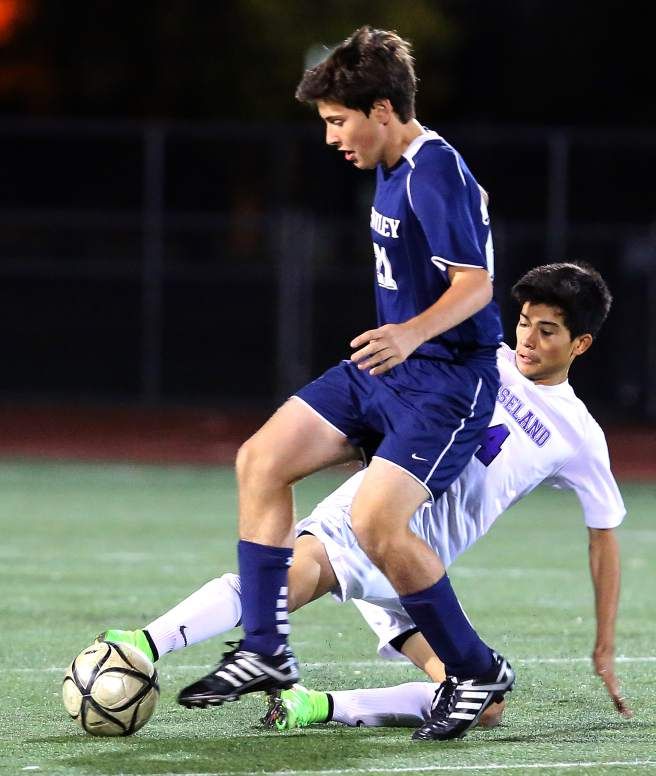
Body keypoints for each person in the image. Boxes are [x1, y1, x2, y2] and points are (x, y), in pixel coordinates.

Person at [102, 262, 631, 739]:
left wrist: (604, 643)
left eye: (548, 331)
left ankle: (313, 706)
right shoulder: (475, 359)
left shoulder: (579, 434)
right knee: (283, 585)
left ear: (580, 344)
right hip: (369, 519)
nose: (528, 339)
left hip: (419, 573)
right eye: (523, 323)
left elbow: (604, 535)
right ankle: (140, 645)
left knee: (486, 704)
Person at [177, 25, 512, 741]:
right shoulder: (392, 168)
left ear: (383, 109)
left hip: (447, 384)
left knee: (375, 526)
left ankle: (474, 668)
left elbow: (477, 287)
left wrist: (412, 332)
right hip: (388, 371)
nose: (331, 137)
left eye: (338, 120)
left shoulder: (433, 170)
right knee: (260, 460)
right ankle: (267, 649)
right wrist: (401, 342)